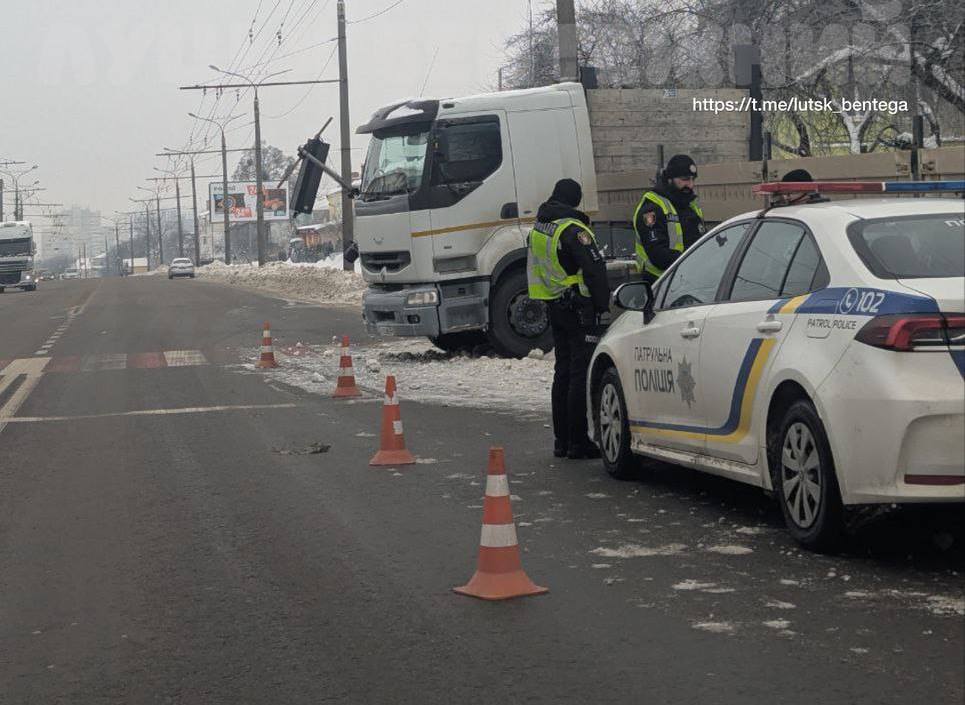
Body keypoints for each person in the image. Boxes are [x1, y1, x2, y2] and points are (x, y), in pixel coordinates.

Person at [527, 178, 610, 459]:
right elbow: (594, 269)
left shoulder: (540, 227)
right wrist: (602, 305)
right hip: (578, 307)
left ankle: (561, 440)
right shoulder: (573, 230)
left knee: (562, 371)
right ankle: (578, 441)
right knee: (579, 373)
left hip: (554, 304)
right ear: (575, 200)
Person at [632, 154, 706, 281]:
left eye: (693, 179)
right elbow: (658, 255)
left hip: (689, 279)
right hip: (660, 282)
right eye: (685, 179)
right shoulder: (652, 208)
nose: (690, 185)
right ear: (670, 179)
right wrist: (693, 262)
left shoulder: (690, 205)